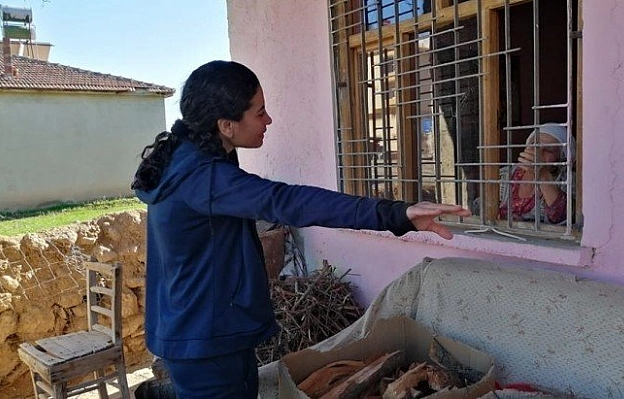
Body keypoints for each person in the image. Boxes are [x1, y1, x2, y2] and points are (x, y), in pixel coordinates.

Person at [131, 60, 471, 399]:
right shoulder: (202, 176)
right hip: (205, 340)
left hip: (203, 329)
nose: (269, 120)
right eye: (259, 112)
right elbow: (288, 201)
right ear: (226, 125)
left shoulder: (193, 154)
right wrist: (397, 214)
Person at [498, 123, 574, 224]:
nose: (538, 152)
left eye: (549, 150)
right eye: (535, 144)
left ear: (561, 157)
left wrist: (542, 175)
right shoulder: (504, 174)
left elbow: (565, 219)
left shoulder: (568, 180)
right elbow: (481, 207)